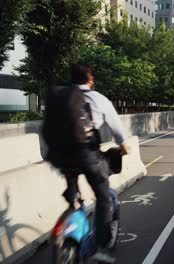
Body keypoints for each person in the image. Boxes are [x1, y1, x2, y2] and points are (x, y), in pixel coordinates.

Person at [59, 64, 129, 263]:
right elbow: (117, 129)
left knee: (73, 194)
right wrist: (123, 147)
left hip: (62, 157)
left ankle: (72, 214)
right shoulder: (98, 99)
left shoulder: (61, 98)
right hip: (88, 156)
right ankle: (100, 247)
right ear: (90, 79)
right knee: (105, 198)